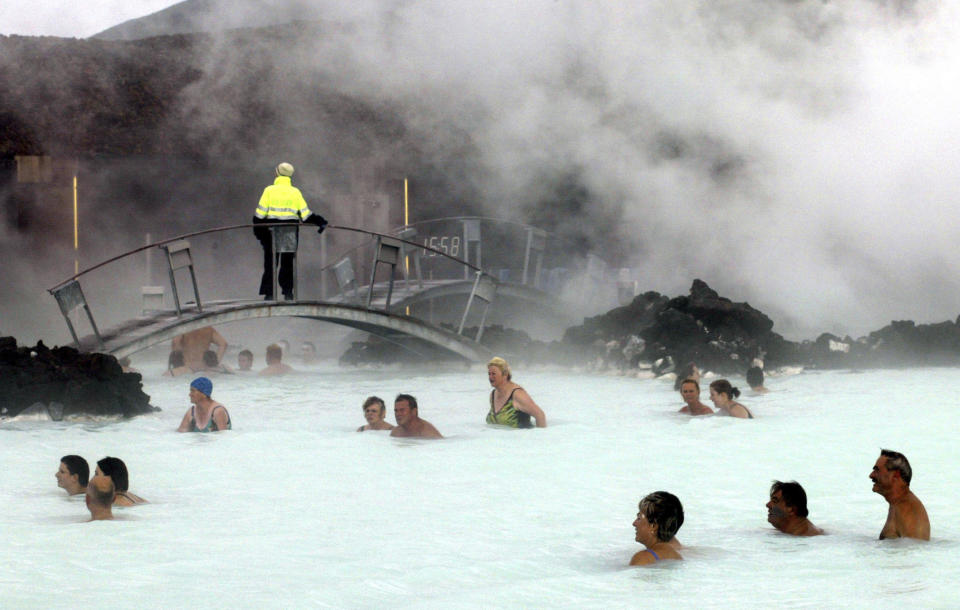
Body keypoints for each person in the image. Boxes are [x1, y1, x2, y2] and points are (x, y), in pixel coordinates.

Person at [253, 162, 328, 300]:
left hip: (271, 232)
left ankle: (269, 294)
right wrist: (320, 222)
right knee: (287, 264)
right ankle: (288, 293)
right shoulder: (295, 192)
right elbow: (306, 216)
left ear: (277, 173)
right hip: (290, 232)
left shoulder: (269, 191)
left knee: (270, 264)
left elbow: (259, 215)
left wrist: (258, 233)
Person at [870, 449, 930, 540]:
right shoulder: (896, 504)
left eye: (877, 470)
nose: (871, 475)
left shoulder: (908, 509)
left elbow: (916, 549)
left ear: (895, 475)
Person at [485, 356, 547, 428]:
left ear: (505, 374)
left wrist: (539, 437)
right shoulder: (493, 395)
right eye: (489, 374)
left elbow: (540, 415)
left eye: (494, 374)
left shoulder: (517, 394)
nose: (490, 377)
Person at [630, 491, 684, 565]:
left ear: (653, 526)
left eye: (639, 518)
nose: (634, 523)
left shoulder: (643, 558)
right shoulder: (677, 556)